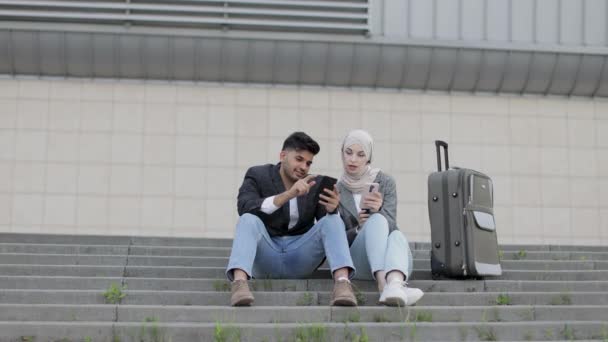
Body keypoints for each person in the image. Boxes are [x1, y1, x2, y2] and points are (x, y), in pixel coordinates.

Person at [226, 131, 357, 307]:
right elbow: (244, 206)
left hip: (300, 256)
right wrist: (288, 195)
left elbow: (330, 228)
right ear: (283, 156)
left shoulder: (314, 184)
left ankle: (342, 284)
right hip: (266, 255)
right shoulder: (258, 174)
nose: (304, 167)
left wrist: (333, 210)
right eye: (299, 159)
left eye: (308, 163)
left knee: (332, 220)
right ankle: (239, 284)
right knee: (248, 219)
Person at [336, 129, 424, 306]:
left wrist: (378, 211)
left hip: (393, 261)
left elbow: (391, 224)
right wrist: (359, 228)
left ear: (368, 158)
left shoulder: (386, 182)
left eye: (360, 154)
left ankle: (395, 284)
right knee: (376, 222)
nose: (353, 159)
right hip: (359, 261)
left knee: (396, 234)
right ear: (342, 154)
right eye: (348, 152)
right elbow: (337, 240)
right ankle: (387, 286)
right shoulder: (336, 189)